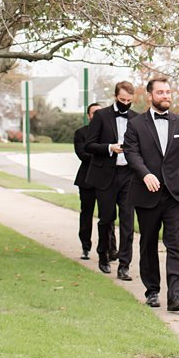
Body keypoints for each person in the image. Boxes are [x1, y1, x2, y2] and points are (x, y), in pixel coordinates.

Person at [124, 76, 179, 310]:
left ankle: (176, 296)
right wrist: (145, 174)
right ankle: (152, 291)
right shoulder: (136, 124)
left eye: (168, 92)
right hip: (147, 194)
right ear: (150, 96)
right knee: (148, 243)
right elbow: (131, 152)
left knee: (176, 244)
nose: (166, 96)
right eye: (160, 93)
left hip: (177, 196)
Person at [81, 81, 138, 280]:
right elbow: (89, 144)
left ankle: (124, 265)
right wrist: (109, 148)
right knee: (106, 219)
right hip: (105, 174)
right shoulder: (101, 116)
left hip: (128, 176)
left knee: (128, 222)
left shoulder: (136, 118)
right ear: (115, 97)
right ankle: (103, 255)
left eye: (129, 101)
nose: (126, 103)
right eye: (122, 100)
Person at [72, 103, 106, 260]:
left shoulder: (108, 132)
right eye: (94, 112)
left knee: (107, 216)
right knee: (86, 214)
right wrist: (104, 153)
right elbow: (82, 154)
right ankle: (85, 247)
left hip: (106, 179)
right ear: (88, 115)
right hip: (86, 180)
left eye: (100, 112)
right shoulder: (81, 133)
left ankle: (108, 249)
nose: (97, 115)